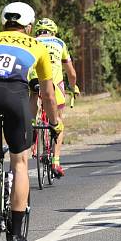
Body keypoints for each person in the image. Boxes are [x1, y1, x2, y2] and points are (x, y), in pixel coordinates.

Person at [0, 2, 63, 241]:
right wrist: (54, 123)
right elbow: (47, 94)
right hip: (14, 94)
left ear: (4, 23)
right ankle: (15, 236)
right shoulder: (39, 46)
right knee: (20, 162)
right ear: (29, 26)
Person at [29, 18, 78, 177]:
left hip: (33, 80)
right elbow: (71, 73)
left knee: (33, 95)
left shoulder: (31, 42)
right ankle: (56, 161)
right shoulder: (59, 43)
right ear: (53, 31)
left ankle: (31, 126)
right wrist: (73, 86)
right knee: (58, 120)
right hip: (53, 83)